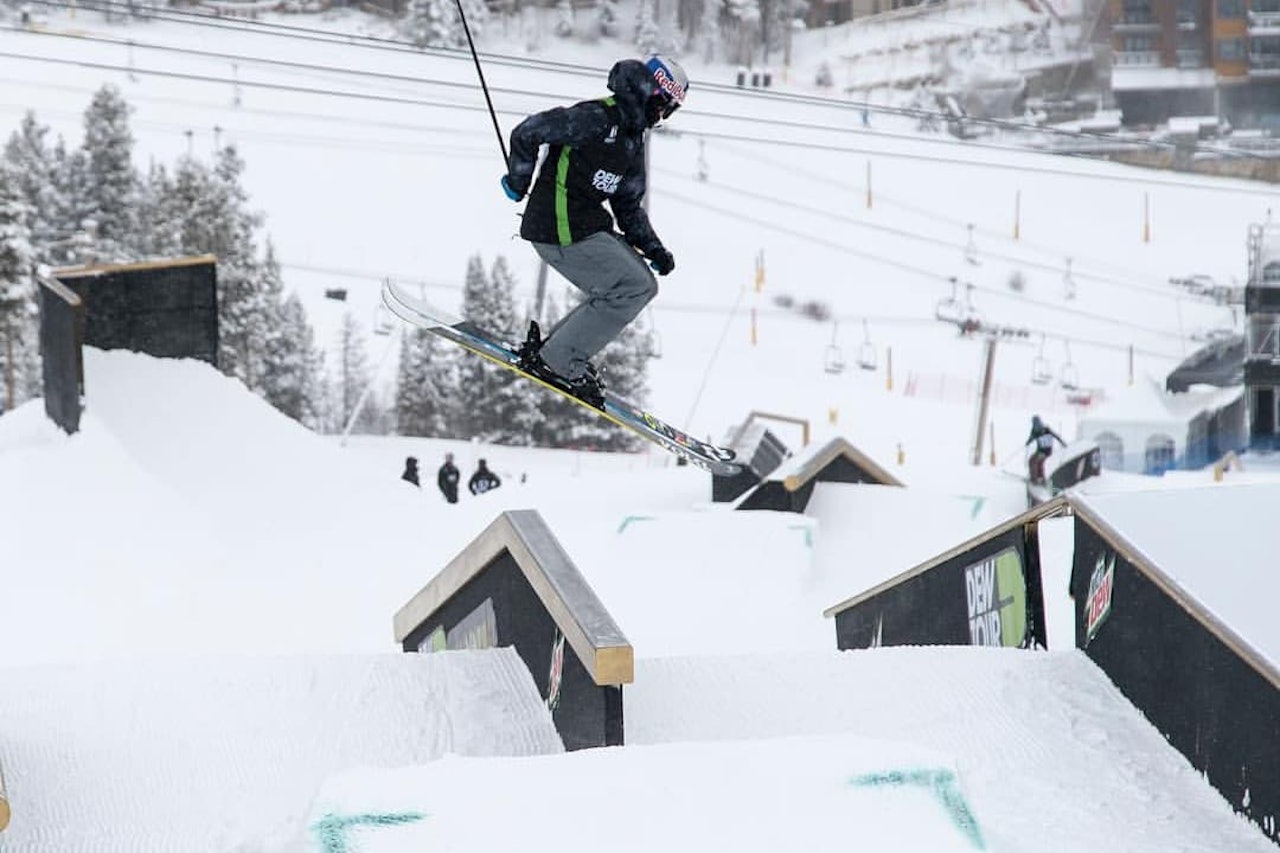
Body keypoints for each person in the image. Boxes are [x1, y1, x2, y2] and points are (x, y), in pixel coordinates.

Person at [500, 55, 688, 408]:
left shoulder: (632, 142)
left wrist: (655, 249)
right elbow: (529, 131)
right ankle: (558, 359)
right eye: (667, 108)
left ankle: (557, 354)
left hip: (583, 227)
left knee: (640, 284)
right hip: (558, 225)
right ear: (655, 95)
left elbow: (628, 205)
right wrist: (518, 179)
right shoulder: (597, 118)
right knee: (632, 287)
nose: (663, 117)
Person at [1025, 414, 1066, 485]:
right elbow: (1031, 438)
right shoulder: (1039, 430)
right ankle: (1038, 477)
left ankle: (1036, 479)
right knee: (1035, 461)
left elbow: (1056, 436)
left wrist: (1063, 443)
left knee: (1034, 461)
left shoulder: (1043, 430)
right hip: (1042, 451)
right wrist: (1028, 442)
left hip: (1045, 452)